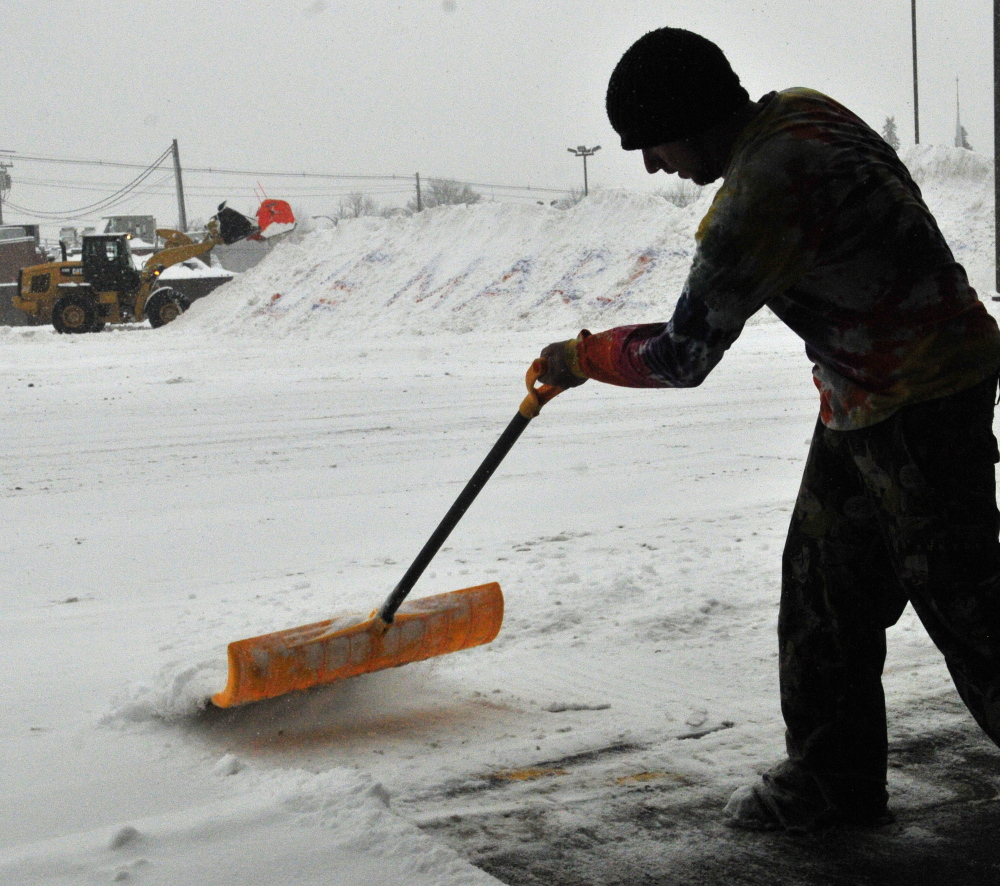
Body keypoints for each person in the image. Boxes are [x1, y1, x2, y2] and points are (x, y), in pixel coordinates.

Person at [538, 26, 1000, 834]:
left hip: (919, 403)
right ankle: (831, 781)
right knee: (824, 586)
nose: (652, 166)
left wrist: (584, 357)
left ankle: (832, 777)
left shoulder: (761, 191)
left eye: (652, 145)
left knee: (972, 609)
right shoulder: (802, 112)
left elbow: (683, 354)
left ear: (692, 118)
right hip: (874, 394)